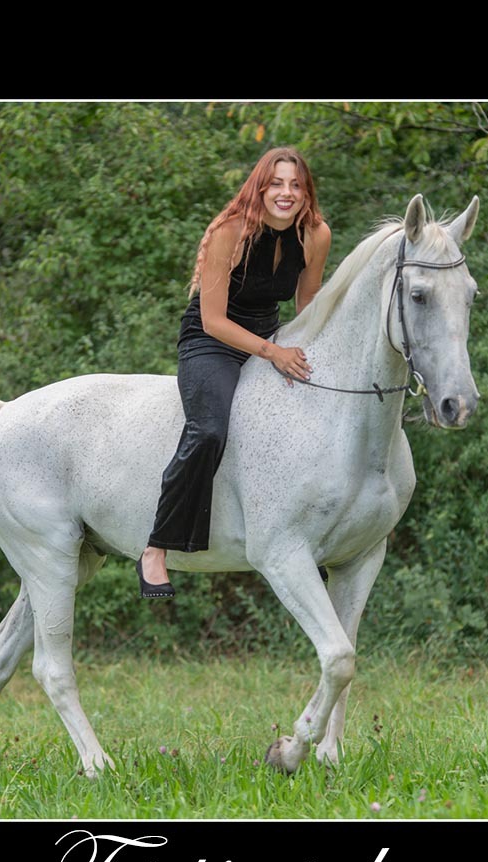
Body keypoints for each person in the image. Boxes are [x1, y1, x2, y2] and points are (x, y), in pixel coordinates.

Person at [136, 147, 331, 598]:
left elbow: (307, 305)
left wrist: (307, 354)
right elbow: (213, 320)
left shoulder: (315, 234)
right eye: (276, 183)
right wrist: (273, 353)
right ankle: (157, 547)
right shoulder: (232, 231)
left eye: (296, 185)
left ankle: (306, 537)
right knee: (208, 431)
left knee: (315, 416)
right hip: (212, 342)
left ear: (307, 193)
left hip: (270, 337)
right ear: (259, 188)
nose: (286, 193)